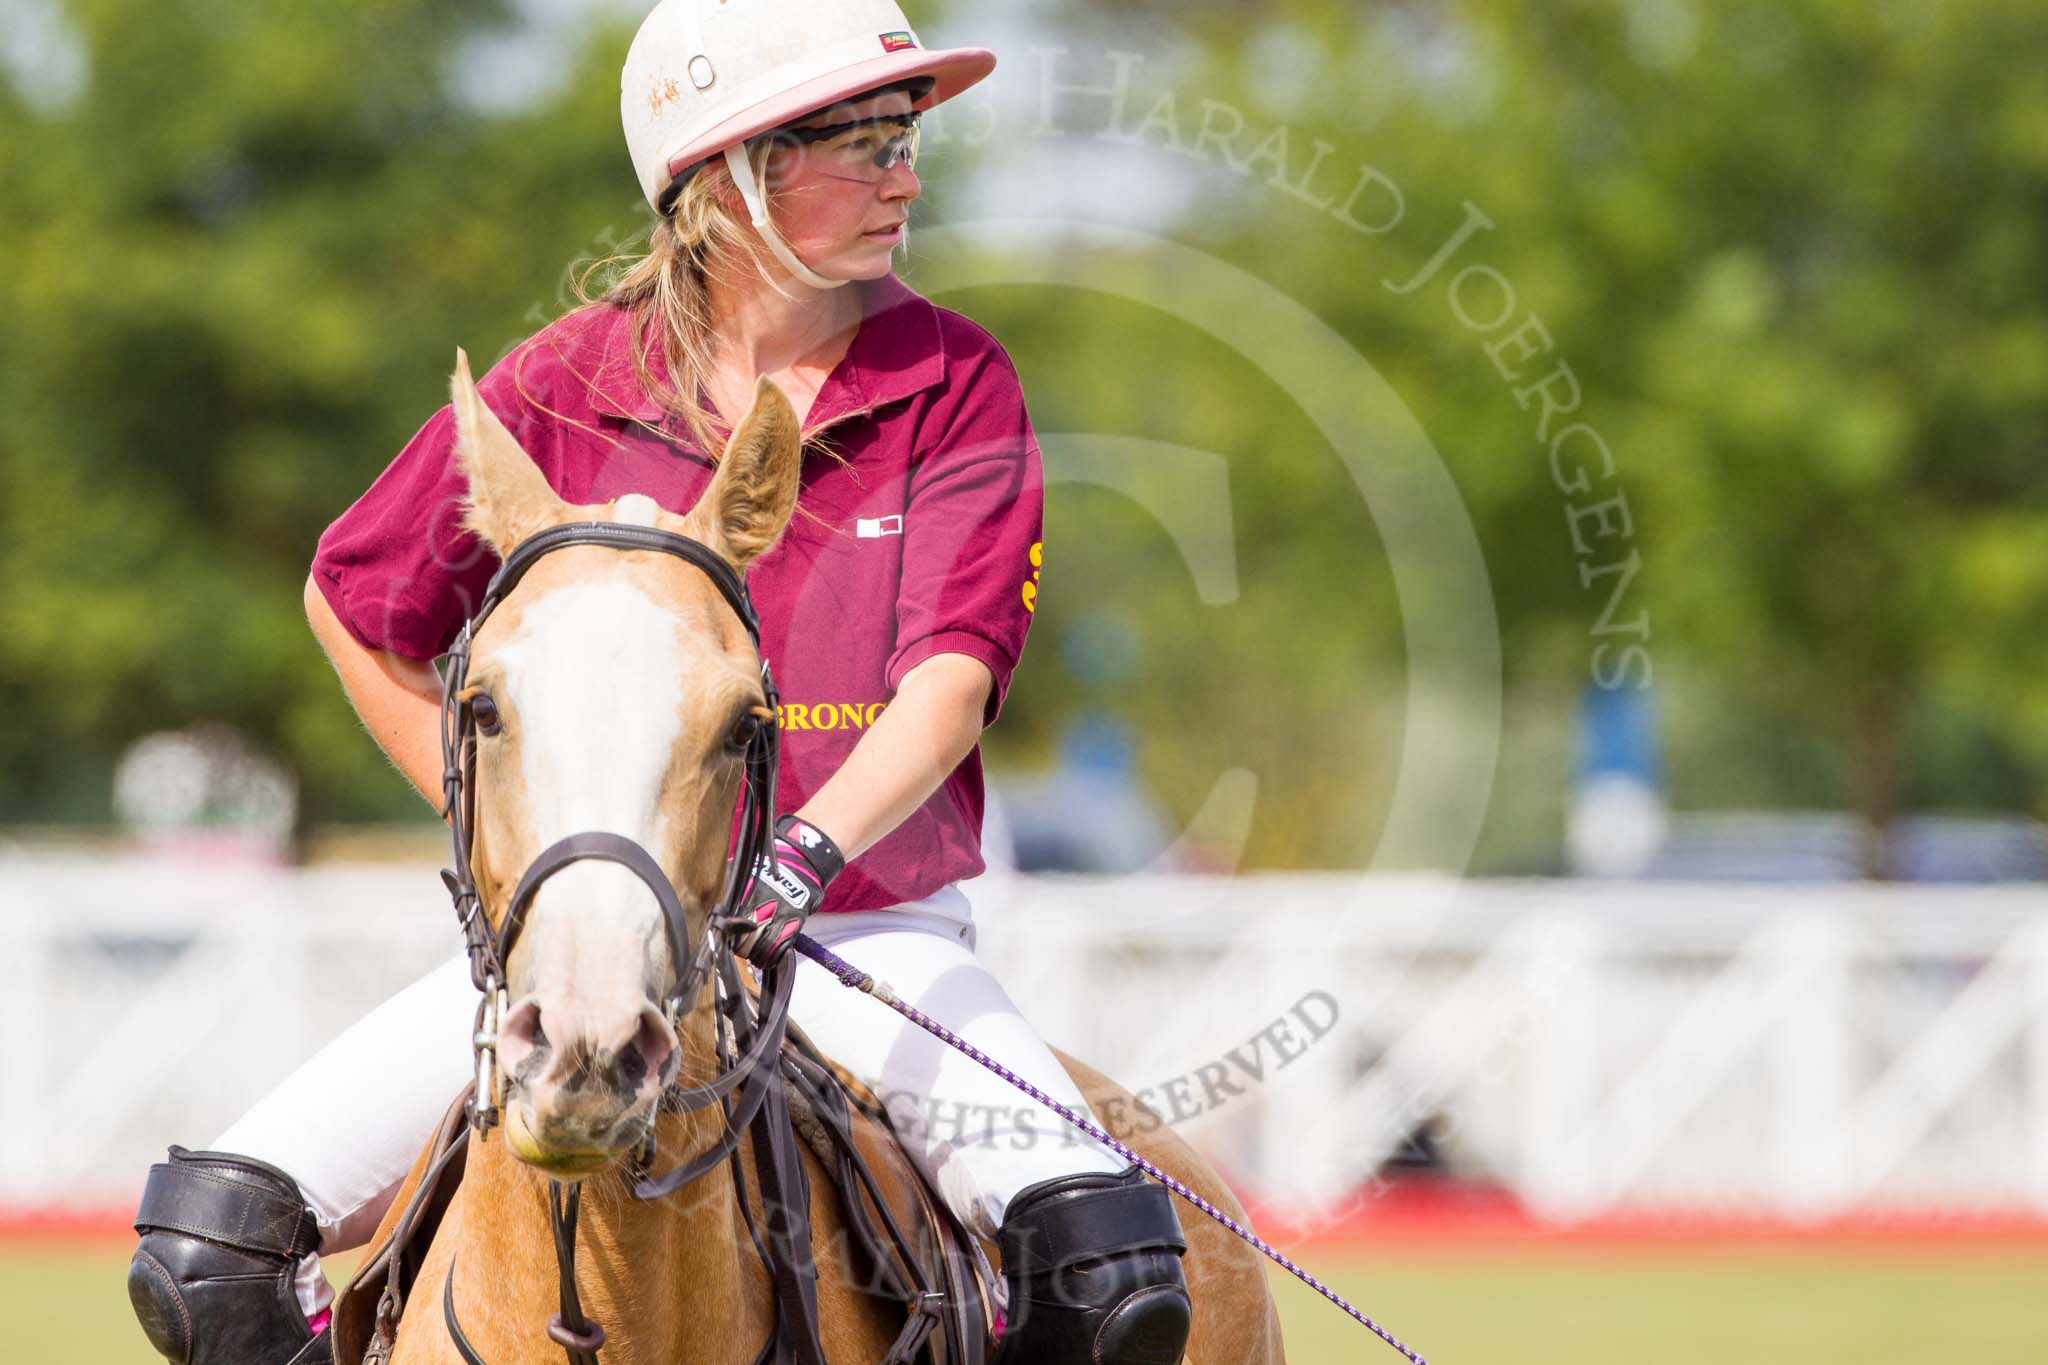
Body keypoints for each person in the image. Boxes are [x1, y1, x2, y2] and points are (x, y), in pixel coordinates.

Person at [125, 4, 1193, 1364]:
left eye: (903, 138)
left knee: (1109, 1272)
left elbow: (951, 681)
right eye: (861, 142)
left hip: (864, 930)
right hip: (590, 936)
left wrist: (800, 856)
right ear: (729, 173)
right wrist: (517, 850)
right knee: (206, 1246)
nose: (904, 176)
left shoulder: (952, 380)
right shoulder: (568, 380)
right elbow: (360, 605)